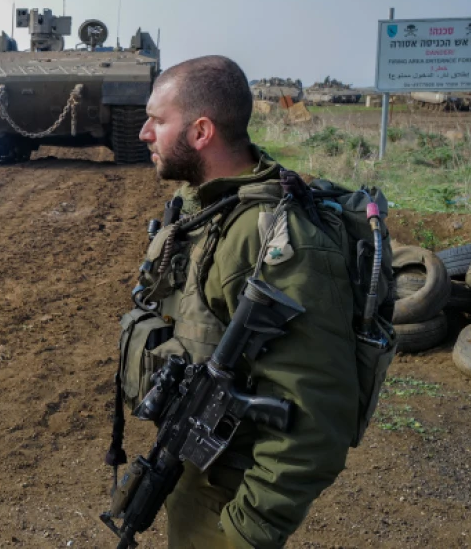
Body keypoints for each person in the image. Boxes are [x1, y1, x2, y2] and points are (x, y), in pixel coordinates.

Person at [124, 55, 392, 548]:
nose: (144, 132)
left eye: (158, 120)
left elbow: (317, 414)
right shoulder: (208, 205)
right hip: (198, 464)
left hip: (231, 497)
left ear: (201, 131)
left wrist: (247, 529)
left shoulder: (270, 238)